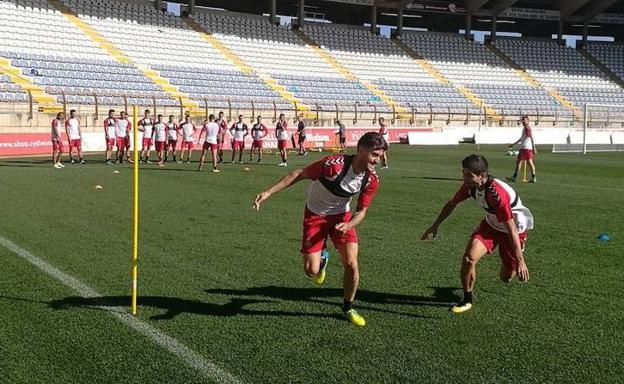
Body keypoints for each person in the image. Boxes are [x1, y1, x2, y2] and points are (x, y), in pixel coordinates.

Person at [252, 132, 387, 327]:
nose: (378, 160)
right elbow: (299, 174)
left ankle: (348, 307)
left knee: (351, 264)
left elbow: (362, 211)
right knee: (311, 271)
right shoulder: (333, 166)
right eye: (375, 154)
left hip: (342, 218)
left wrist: (349, 224)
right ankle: (322, 257)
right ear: (360, 150)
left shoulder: (371, 179)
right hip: (315, 216)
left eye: (380, 155)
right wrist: (267, 192)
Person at [421, 154, 533, 314]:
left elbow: (511, 228)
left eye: (469, 175)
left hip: (513, 229)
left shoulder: (496, 194)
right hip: (491, 225)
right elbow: (452, 203)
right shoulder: (469, 186)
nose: (464, 178)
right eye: (463, 173)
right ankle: (467, 299)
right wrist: (435, 225)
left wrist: (520, 261)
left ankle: (509, 260)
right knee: (469, 258)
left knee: (506, 277)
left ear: (483, 176)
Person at [507, 116, 537, 183]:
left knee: (529, 163)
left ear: (528, 121)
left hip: (526, 148)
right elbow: (521, 138)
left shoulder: (527, 128)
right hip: (523, 148)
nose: (523, 121)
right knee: (519, 162)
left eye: (524, 120)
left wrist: (534, 147)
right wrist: (513, 144)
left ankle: (533, 178)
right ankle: (514, 177)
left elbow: (531, 137)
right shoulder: (525, 128)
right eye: (522, 120)